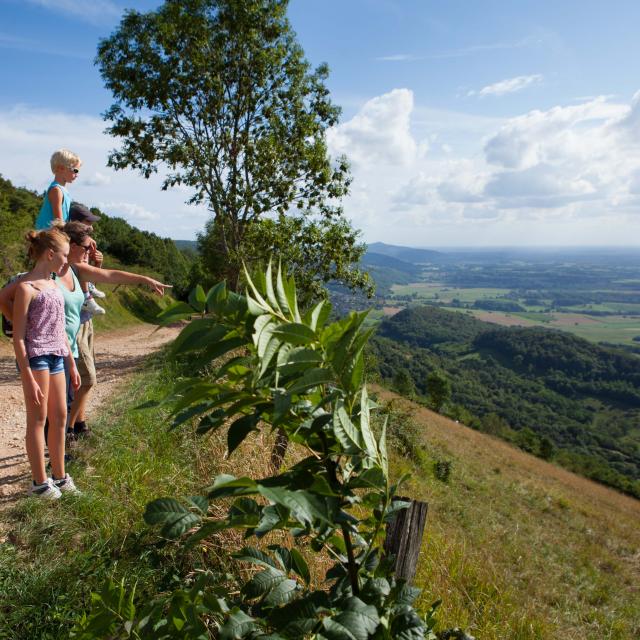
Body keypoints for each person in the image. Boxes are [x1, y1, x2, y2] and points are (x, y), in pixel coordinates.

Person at [10, 227, 81, 499]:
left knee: (60, 416)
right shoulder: (26, 288)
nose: (67, 261)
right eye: (64, 256)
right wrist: (27, 375)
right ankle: (40, 483)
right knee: (38, 419)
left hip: (57, 358)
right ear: (50, 254)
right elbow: (18, 339)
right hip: (36, 357)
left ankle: (61, 477)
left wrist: (71, 364)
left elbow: (60, 328)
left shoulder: (55, 285)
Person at [34, 149, 81, 230]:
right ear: (61, 168)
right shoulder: (56, 190)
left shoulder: (63, 190)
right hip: (46, 237)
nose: (77, 175)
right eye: (75, 170)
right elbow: (59, 221)